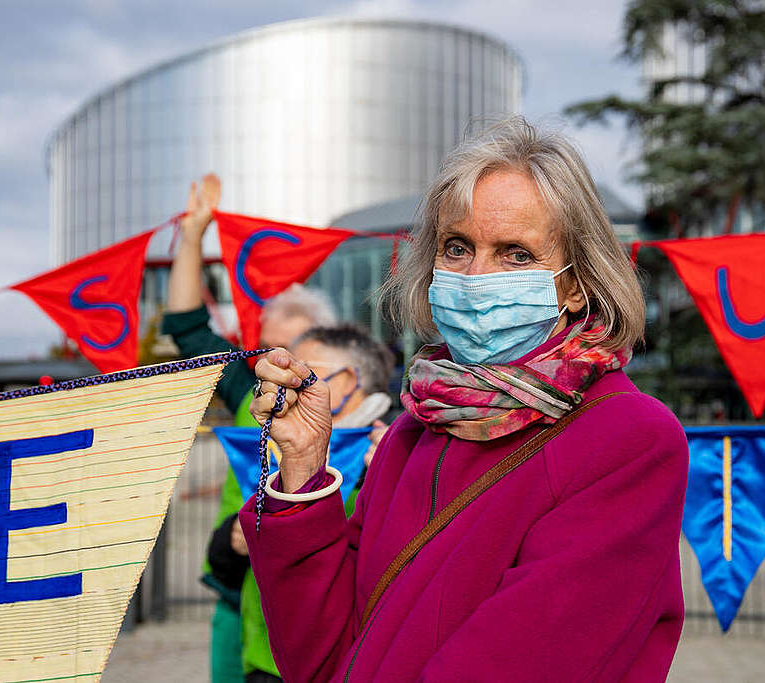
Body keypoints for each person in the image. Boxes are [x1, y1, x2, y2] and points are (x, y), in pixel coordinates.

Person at [240, 116, 689, 681]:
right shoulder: (416, 427)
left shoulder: (628, 437)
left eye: (516, 254)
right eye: (457, 247)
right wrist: (304, 469)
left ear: (575, 285)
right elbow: (322, 658)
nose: (476, 276)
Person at [160, 175, 338, 683]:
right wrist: (194, 235)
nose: (275, 369)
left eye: (292, 357)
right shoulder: (250, 394)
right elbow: (189, 328)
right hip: (239, 597)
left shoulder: (357, 416)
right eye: (264, 355)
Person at [207, 323, 395, 682]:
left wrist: (394, 480)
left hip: (354, 664)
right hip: (266, 661)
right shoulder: (269, 448)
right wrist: (235, 538)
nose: (290, 383)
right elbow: (221, 570)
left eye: (310, 373)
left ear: (352, 382)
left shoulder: (395, 453)